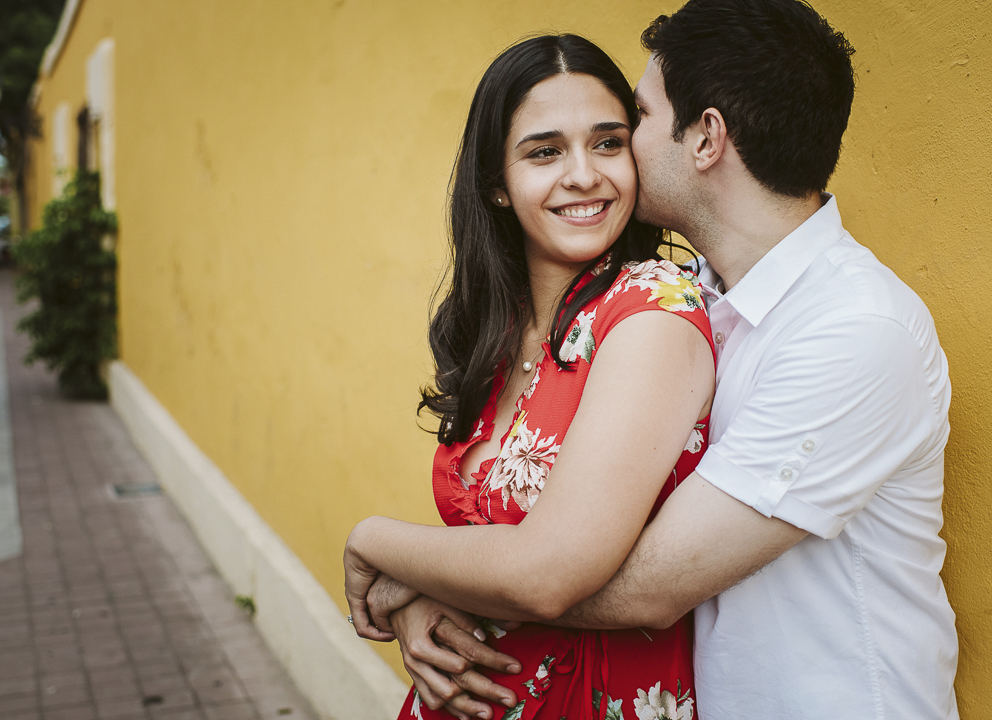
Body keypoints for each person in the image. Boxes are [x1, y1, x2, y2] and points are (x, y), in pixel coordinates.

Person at [365, 2, 961, 719]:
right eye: (546, 150)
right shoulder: (705, 298)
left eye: (632, 122)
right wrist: (437, 589)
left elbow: (643, 585)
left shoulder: (854, 330)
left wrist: (410, 573)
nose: (599, 165)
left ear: (706, 137)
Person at [343, 34, 718, 720]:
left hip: (590, 698)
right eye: (545, 152)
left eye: (608, 143)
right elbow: (489, 547)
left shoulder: (653, 310)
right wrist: (424, 597)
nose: (584, 175)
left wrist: (374, 542)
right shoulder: (501, 330)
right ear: (496, 182)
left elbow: (548, 574)